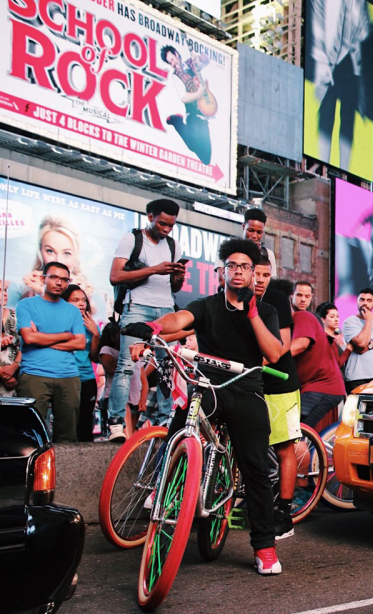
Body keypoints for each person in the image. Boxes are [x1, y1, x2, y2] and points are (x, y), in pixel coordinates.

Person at [122, 238, 287, 576]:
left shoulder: (266, 311)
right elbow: (179, 319)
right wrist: (152, 328)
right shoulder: (207, 305)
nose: (238, 271)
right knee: (180, 424)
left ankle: (264, 547)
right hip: (208, 387)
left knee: (255, 467)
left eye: (245, 267)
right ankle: (165, 482)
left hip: (246, 390)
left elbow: (273, 354)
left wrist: (252, 312)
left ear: (254, 274)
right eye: (232, 266)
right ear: (222, 271)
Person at [107, 198, 186, 442]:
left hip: (165, 310)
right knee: (126, 366)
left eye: (171, 226)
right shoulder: (132, 239)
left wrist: (179, 276)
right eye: (162, 223)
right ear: (150, 216)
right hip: (137, 306)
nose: (166, 229)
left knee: (166, 366)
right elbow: (115, 276)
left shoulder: (174, 245)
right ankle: (116, 423)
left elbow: (175, 287)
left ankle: (164, 421)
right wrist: (154, 269)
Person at [253, 255, 303, 540]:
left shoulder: (277, 299)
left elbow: (282, 346)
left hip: (279, 385)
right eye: (255, 274)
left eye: (265, 274)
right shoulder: (236, 298)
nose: (259, 280)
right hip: (249, 383)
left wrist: (253, 361)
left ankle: (284, 513)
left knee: (284, 449)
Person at [16, 262, 86, 440]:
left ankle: (65, 469)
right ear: (43, 279)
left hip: (68, 376)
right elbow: (29, 338)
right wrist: (64, 335)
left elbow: (79, 343)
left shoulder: (72, 310)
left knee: (67, 436)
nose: (59, 282)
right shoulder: (26, 305)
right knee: (31, 435)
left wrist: (41, 337)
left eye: (64, 279)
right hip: (34, 375)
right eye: (54, 277)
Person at [308, 0, 370, 170]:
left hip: (350, 61)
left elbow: (364, 29)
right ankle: (320, 166)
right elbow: (317, 23)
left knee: (347, 117)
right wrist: (322, 61)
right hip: (328, 60)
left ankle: (344, 171)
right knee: (327, 113)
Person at [293, 301, 346, 429]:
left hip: (321, 387)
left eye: (337, 316)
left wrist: (348, 348)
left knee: (296, 430)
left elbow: (337, 362)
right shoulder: (326, 337)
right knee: (300, 429)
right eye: (332, 316)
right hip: (322, 386)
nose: (336, 319)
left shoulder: (327, 338)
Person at [161, 45, 214, 165]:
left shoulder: (190, 63)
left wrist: (199, 57)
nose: (173, 64)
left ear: (176, 54)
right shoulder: (176, 76)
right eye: (170, 63)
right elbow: (184, 97)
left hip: (204, 115)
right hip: (193, 115)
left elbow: (206, 60)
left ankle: (177, 122)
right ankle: (177, 121)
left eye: (173, 59)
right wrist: (198, 93)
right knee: (193, 145)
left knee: (206, 159)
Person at [64, 284, 102, 441]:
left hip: (87, 379)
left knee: (85, 424)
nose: (81, 304)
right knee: (66, 423)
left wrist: (95, 335)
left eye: (83, 300)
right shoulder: (59, 323)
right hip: (65, 378)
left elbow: (94, 357)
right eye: (75, 300)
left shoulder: (91, 325)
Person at [0, 281, 21, 397]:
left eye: (5, 290)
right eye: (0, 290)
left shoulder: (16, 316)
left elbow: (25, 345)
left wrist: (14, 366)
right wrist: (1, 373)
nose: (5, 294)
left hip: (13, 378)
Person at [242, 208, 277, 276]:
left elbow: (271, 282)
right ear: (243, 227)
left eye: (259, 232)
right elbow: (222, 280)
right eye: (251, 230)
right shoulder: (228, 249)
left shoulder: (268, 254)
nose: (255, 236)